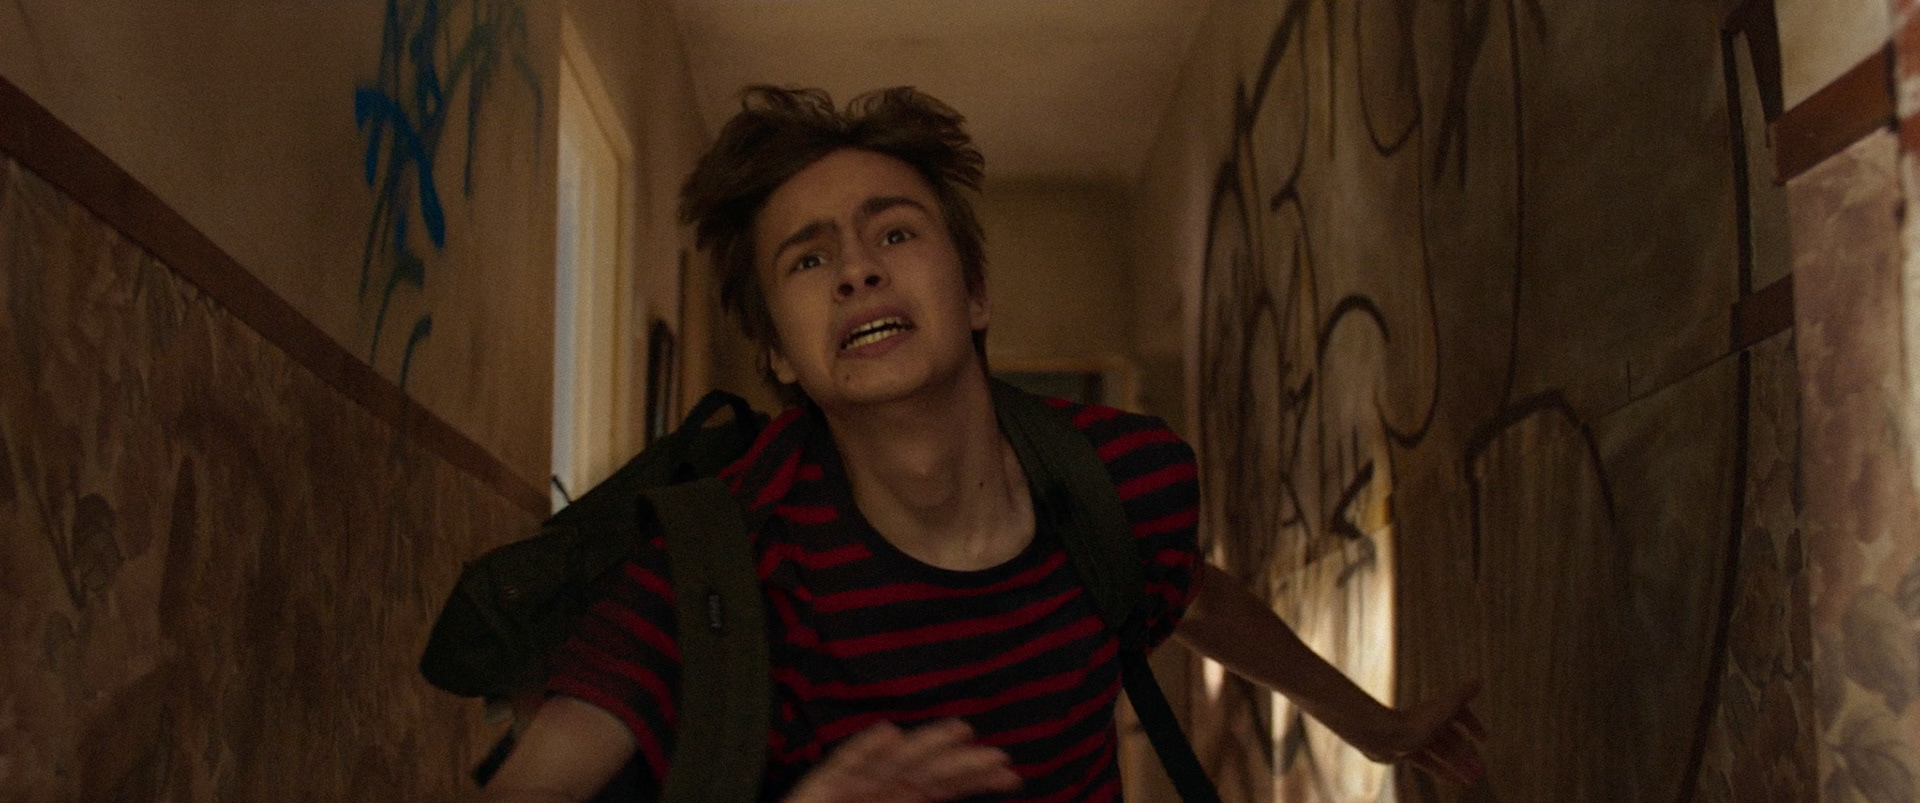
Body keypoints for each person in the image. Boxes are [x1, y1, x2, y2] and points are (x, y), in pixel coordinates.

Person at [479, 86, 1485, 802]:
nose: (858, 271)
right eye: (809, 258)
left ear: (974, 292)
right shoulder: (717, 565)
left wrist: (1372, 724)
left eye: (894, 232)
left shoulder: (1117, 481)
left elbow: (1195, 595)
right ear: (779, 353)